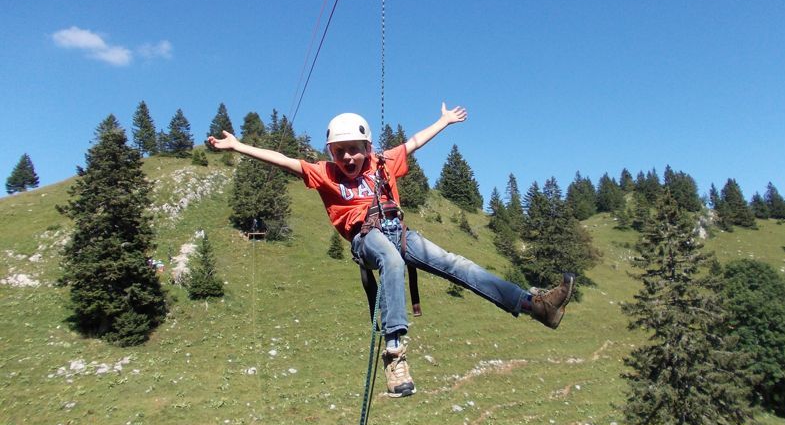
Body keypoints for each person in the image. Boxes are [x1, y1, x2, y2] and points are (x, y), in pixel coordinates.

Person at [208, 103, 575, 398]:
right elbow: (283, 160)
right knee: (392, 261)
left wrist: (443, 121)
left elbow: (414, 142)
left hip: (399, 231)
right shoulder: (324, 173)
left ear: (367, 149)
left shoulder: (383, 163)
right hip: (365, 237)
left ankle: (535, 306)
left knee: (455, 263)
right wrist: (238, 146)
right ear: (331, 152)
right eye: (340, 151)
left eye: (354, 150)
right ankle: (395, 354)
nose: (348, 158)